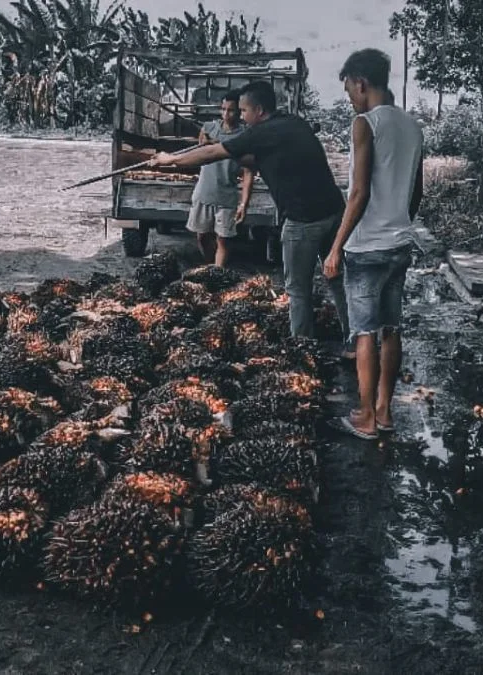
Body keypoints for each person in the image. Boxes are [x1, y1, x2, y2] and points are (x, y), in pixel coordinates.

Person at [148, 80, 350, 343]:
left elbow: (211, 153)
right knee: (337, 280)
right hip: (334, 212)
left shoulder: (261, 132)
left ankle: (302, 349)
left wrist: (169, 160)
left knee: (298, 290)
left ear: (259, 110)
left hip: (303, 220)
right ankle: (354, 341)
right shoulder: (293, 123)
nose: (241, 117)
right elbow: (253, 158)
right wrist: (225, 151)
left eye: (243, 111)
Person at [323, 49, 424, 440]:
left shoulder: (364, 123)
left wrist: (335, 247)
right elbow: (416, 191)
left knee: (364, 333)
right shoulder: (413, 126)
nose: (349, 95)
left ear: (361, 83)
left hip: (366, 249)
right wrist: (400, 221)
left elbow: (359, 192)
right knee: (391, 329)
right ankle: (384, 412)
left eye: (349, 87)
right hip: (399, 244)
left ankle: (364, 417)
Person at [186, 90, 254, 267]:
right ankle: (211, 268)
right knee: (202, 237)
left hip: (226, 198)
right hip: (203, 194)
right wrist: (204, 144)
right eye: (223, 109)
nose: (226, 114)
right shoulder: (208, 129)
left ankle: (217, 273)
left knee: (223, 240)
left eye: (231, 110)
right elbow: (198, 154)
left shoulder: (245, 136)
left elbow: (248, 172)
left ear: (239, 111)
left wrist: (244, 204)